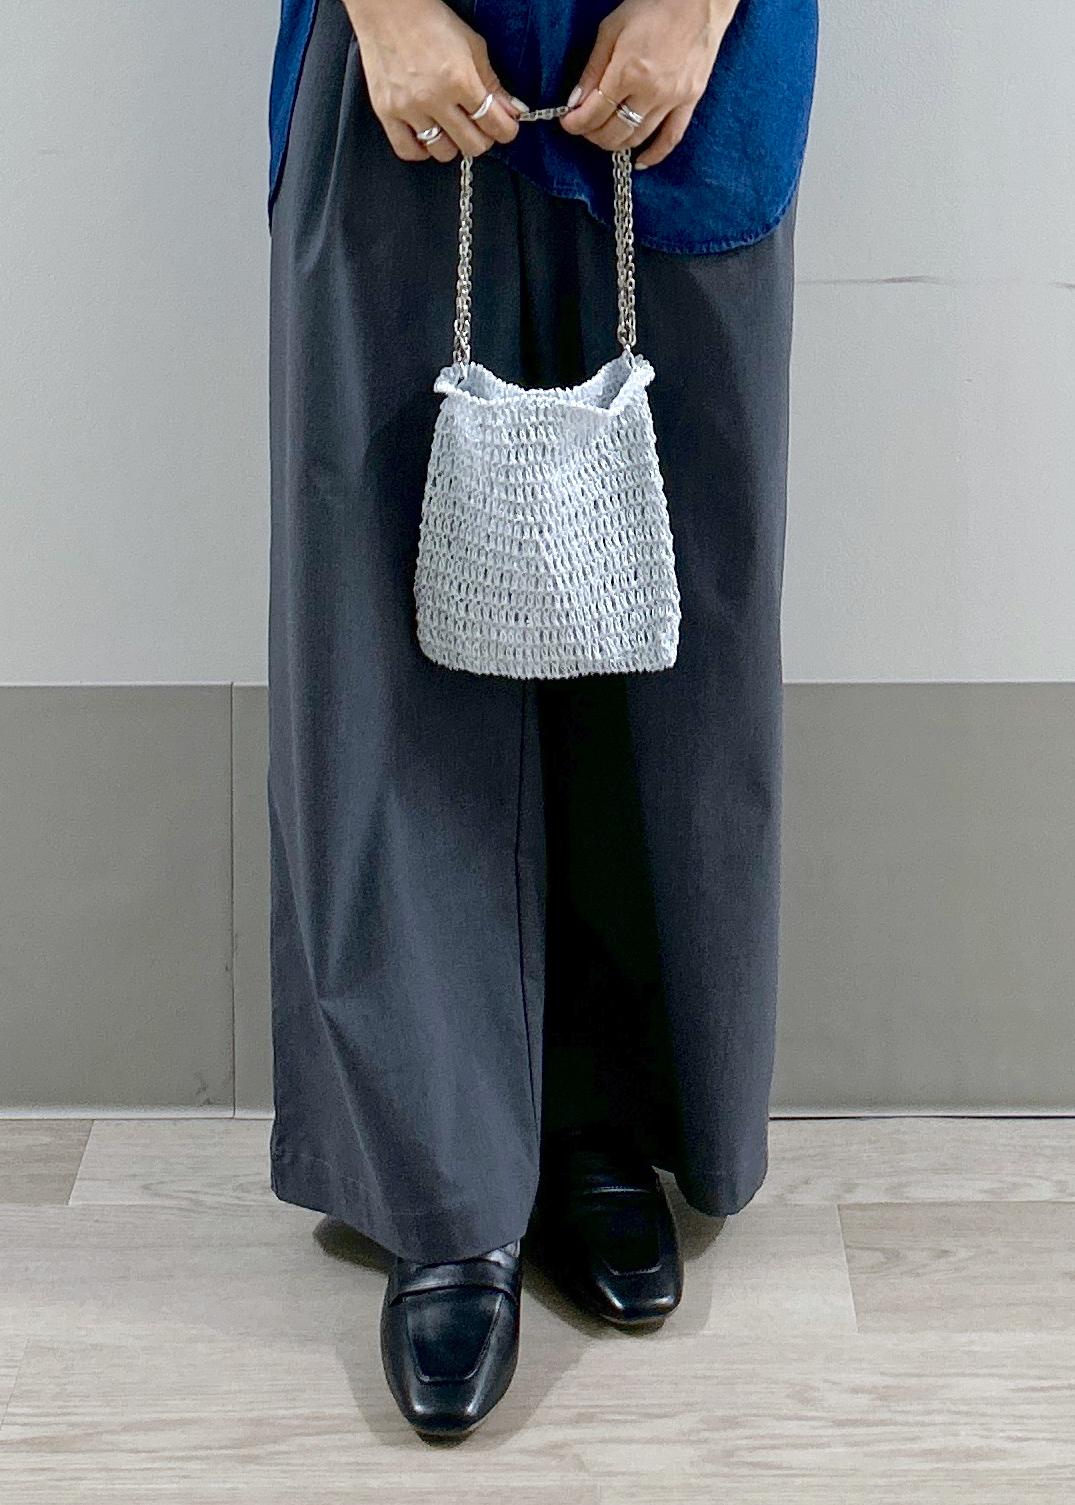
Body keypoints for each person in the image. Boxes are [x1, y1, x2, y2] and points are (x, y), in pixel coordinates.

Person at [266, 0, 817, 1440]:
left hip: (695, 62)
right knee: (389, 615)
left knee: (663, 613)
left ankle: (604, 1117)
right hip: (392, 59)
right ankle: (443, 1178)